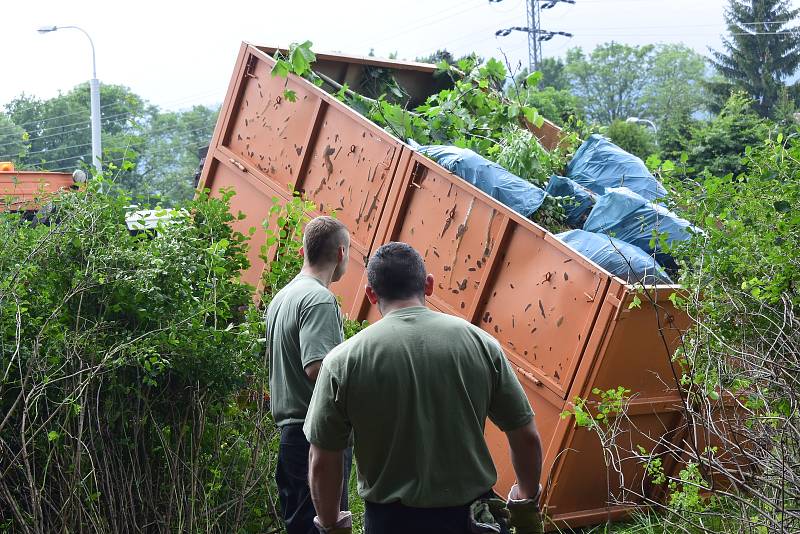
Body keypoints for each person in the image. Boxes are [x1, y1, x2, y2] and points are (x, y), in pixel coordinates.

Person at [303, 241, 545, 534]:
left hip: (391, 523)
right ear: (428, 285)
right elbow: (526, 435)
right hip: (473, 520)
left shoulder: (343, 362)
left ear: (371, 294)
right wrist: (525, 503)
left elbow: (322, 460)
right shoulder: (481, 344)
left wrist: (331, 524)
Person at [266, 215, 353, 534]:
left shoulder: (282, 297)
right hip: (316, 439)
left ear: (305, 250)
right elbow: (319, 368)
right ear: (341, 253)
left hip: (291, 437)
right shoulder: (319, 299)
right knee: (325, 528)